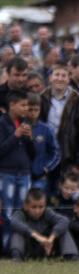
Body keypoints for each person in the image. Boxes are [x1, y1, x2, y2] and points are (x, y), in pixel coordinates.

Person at [40, 61, 79, 181]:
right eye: (57, 75)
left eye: (63, 75)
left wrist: (78, 164)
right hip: (44, 157)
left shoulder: (78, 103)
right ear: (50, 78)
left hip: (68, 159)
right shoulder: (41, 99)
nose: (60, 79)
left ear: (69, 79)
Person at [0, 89, 36, 248]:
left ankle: (19, 247)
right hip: (6, 174)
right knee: (7, 213)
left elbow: (33, 154)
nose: (26, 109)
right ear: (12, 105)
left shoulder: (26, 124)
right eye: (23, 105)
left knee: (21, 213)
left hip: (24, 174)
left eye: (27, 105)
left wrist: (29, 139)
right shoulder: (2, 123)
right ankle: (7, 247)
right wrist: (15, 136)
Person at [8, 187, 78, 260]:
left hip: (46, 247)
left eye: (41, 207)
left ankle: (72, 256)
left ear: (45, 205)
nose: (37, 211)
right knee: (17, 232)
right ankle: (16, 258)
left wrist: (51, 238)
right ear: (25, 206)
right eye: (33, 207)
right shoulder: (21, 214)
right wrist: (37, 236)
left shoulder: (47, 213)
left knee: (63, 229)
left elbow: (64, 220)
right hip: (28, 248)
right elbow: (14, 223)